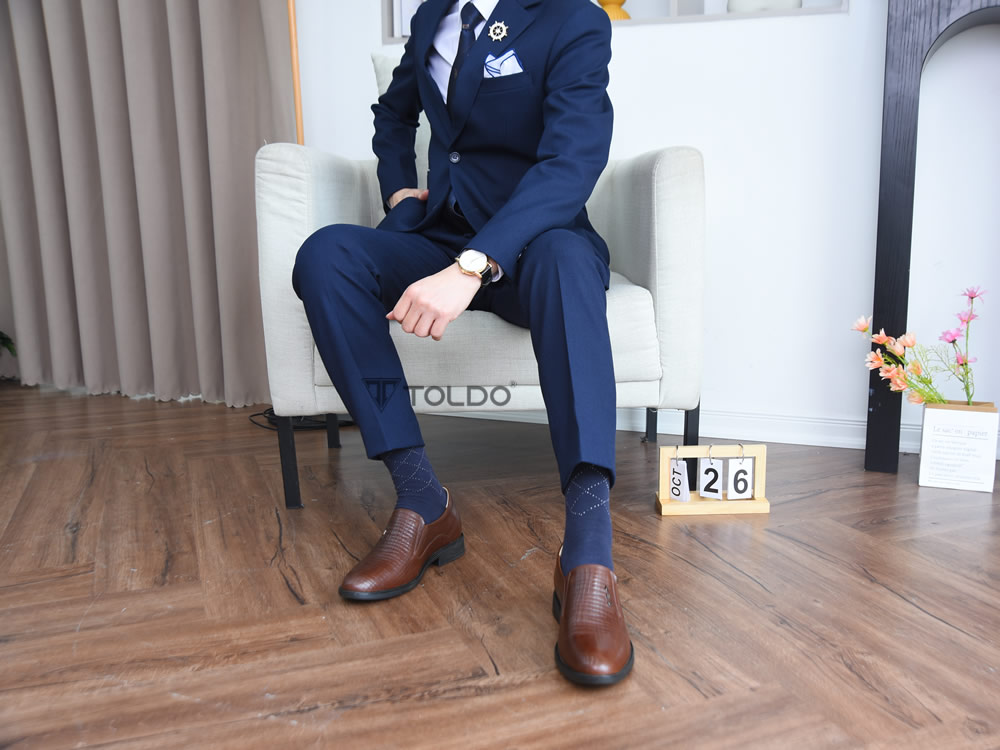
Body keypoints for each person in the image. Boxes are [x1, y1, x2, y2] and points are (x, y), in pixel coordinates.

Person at [292, 0, 633, 686]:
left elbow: (572, 162)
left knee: (568, 261)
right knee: (326, 257)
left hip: (538, 243)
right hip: (440, 234)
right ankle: (423, 501)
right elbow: (393, 114)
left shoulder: (572, 18)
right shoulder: (432, 17)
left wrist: (473, 266)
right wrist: (398, 192)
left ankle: (588, 552)